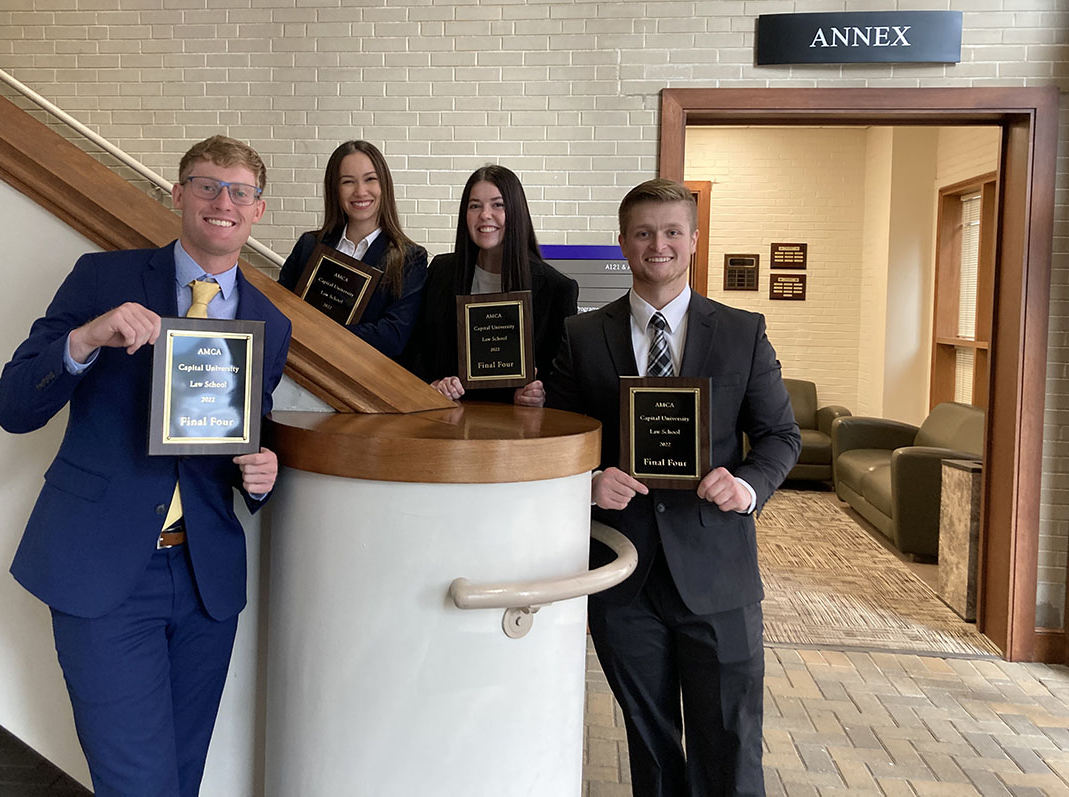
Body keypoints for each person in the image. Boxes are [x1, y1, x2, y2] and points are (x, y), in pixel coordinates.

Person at [0, 135, 292, 797]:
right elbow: (13, 406)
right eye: (207, 184)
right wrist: (86, 338)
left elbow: (248, 437)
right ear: (179, 194)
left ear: (258, 210)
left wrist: (264, 471)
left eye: (239, 191)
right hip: (102, 570)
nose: (223, 201)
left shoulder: (268, 320)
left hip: (205, 578)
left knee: (179, 781)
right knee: (138, 784)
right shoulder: (103, 279)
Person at [545, 178, 800, 796]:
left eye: (671, 232)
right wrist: (588, 481)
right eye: (643, 233)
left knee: (730, 746)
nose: (657, 244)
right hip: (624, 578)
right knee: (651, 748)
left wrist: (746, 485)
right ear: (624, 244)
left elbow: (780, 437)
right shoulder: (583, 337)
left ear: (691, 241)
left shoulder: (742, 332)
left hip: (717, 575)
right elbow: (553, 441)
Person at [408, 164, 578, 405]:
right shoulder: (440, 272)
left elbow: (564, 384)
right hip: (447, 424)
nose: (485, 215)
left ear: (516, 212)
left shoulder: (556, 289)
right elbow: (417, 350)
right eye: (475, 206)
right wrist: (433, 385)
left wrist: (538, 396)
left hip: (517, 431)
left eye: (498, 205)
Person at [276, 139, 427, 359]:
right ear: (335, 190)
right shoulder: (309, 246)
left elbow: (391, 338)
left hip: (364, 383)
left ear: (384, 185)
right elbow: (281, 308)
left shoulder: (409, 258)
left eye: (370, 179)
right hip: (301, 373)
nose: (360, 191)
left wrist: (315, 333)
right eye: (348, 182)